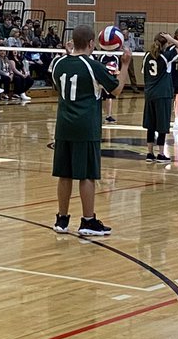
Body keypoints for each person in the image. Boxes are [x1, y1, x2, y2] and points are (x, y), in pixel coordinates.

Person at [51, 24, 131, 236]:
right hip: (85, 126)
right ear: (90, 43)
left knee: (64, 174)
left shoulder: (58, 64)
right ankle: (88, 221)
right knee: (86, 175)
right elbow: (117, 90)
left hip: (63, 126)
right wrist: (125, 65)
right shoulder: (93, 65)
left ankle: (61, 220)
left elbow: (60, 88)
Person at [142, 31, 178, 161]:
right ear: (165, 44)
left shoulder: (147, 56)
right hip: (162, 94)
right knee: (162, 124)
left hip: (149, 94)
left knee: (150, 124)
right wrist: (170, 38)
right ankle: (161, 154)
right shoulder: (166, 56)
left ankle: (149, 153)